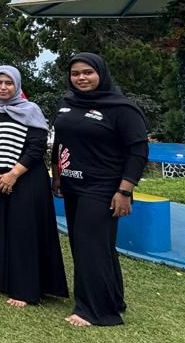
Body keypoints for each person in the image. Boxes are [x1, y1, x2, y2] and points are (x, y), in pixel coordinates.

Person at [52, 53, 148, 327]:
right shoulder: (67, 103)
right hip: (72, 184)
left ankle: (94, 311)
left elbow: (138, 152)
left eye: (87, 72)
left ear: (100, 74)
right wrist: (57, 176)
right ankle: (112, 299)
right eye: (75, 73)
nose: (81, 78)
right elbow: (59, 142)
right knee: (90, 245)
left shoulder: (122, 108)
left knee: (91, 246)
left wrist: (125, 191)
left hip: (103, 187)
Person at [0, 65, 68, 308]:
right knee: (2, 232)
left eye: (8, 83)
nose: (3, 87)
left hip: (27, 179)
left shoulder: (30, 110)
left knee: (24, 232)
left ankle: (27, 289)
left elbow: (36, 146)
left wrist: (13, 175)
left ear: (17, 85)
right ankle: (7, 282)